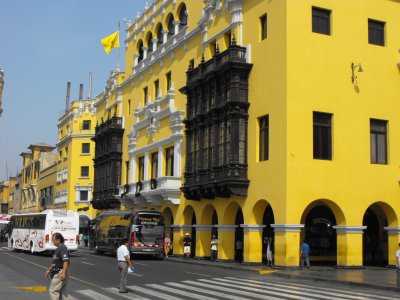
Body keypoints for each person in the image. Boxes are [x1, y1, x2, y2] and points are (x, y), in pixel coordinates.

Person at [44, 232, 70, 300]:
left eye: (53, 240)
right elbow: (55, 263)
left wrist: (63, 273)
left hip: (60, 273)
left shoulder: (62, 248)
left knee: (53, 291)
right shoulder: (58, 248)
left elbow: (66, 261)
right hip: (59, 272)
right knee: (63, 293)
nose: (52, 241)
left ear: (58, 240)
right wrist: (49, 270)